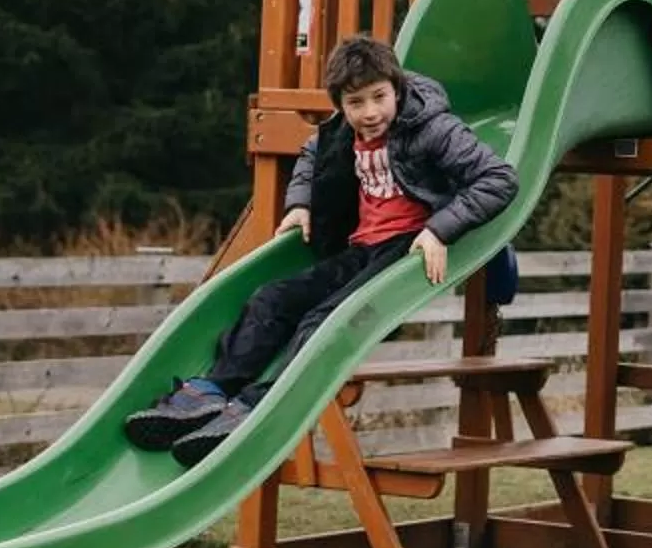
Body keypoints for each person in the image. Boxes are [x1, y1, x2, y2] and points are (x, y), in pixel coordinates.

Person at [126, 34, 516, 468]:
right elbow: (312, 154)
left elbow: (498, 180)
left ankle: (258, 406)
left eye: (379, 97)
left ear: (397, 88)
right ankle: (212, 392)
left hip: (406, 248)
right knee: (269, 299)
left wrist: (441, 230)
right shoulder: (340, 132)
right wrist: (300, 203)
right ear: (340, 104)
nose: (369, 112)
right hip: (360, 246)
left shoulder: (432, 128)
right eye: (355, 103)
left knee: (320, 319)